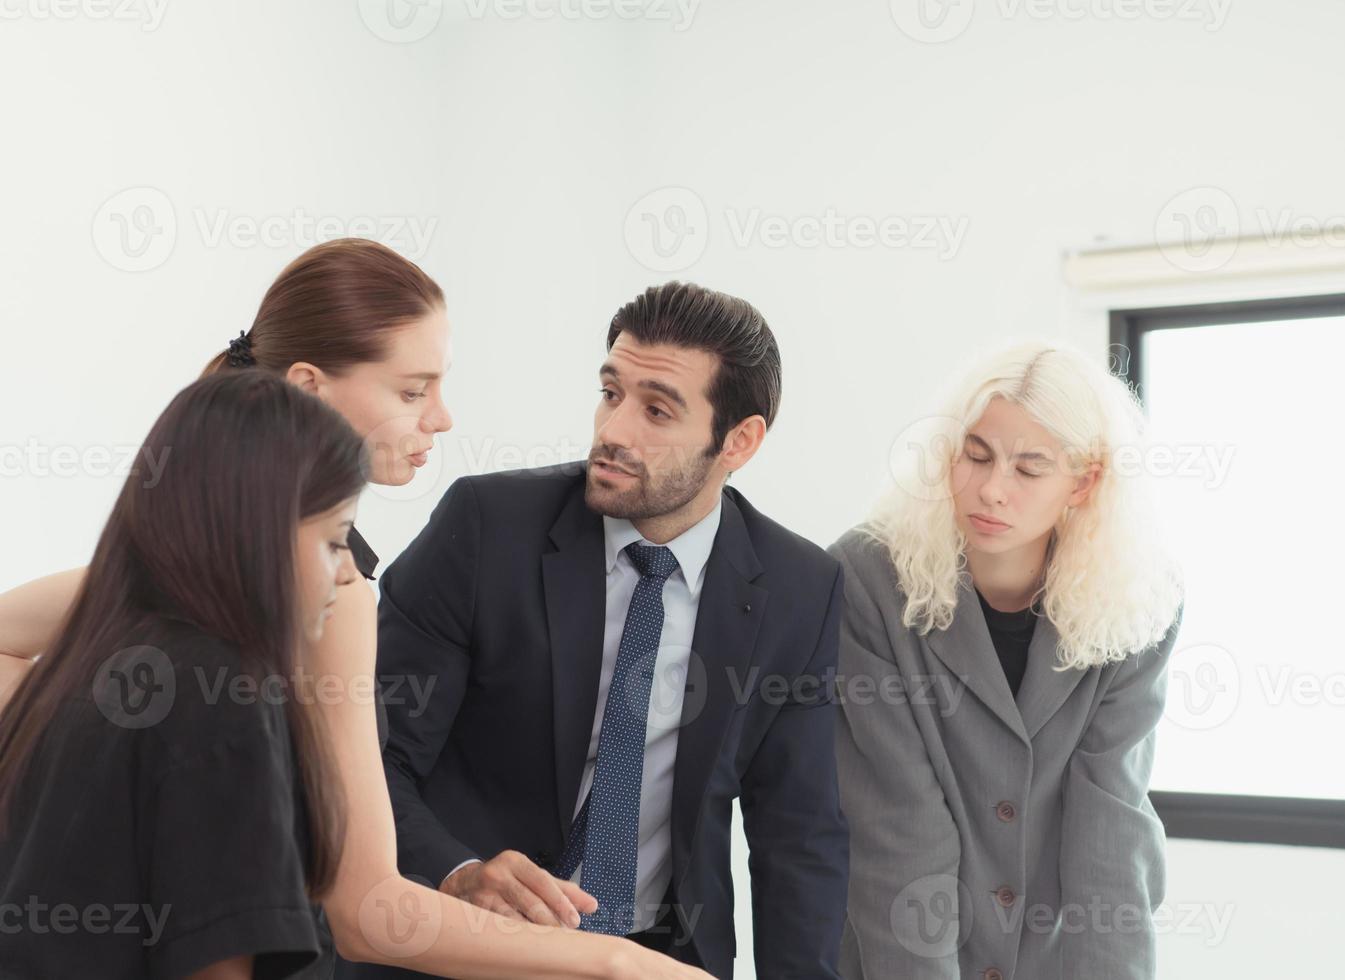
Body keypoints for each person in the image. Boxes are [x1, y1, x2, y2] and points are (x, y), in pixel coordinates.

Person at [0, 241, 710, 980]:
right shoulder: (333, 600)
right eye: (412, 392)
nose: (441, 418)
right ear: (307, 389)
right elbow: (371, 910)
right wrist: (619, 965)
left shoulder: (176, 562)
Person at [343, 282, 849, 980]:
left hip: (658, 957)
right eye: (611, 393)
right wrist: (457, 871)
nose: (613, 431)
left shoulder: (801, 589)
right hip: (459, 946)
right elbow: (367, 759)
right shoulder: (487, 528)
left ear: (739, 441)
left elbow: (798, 834)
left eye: (657, 410)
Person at [828, 341, 1185, 980]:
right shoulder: (868, 579)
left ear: (1084, 481)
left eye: (1029, 468)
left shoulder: (1136, 603)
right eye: (977, 455)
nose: (992, 490)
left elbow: (1111, 838)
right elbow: (899, 832)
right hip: (902, 955)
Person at [0, 370, 365, 978]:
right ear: (258, 532)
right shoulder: (224, 693)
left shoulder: (89, 666)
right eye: (336, 540)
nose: (348, 572)